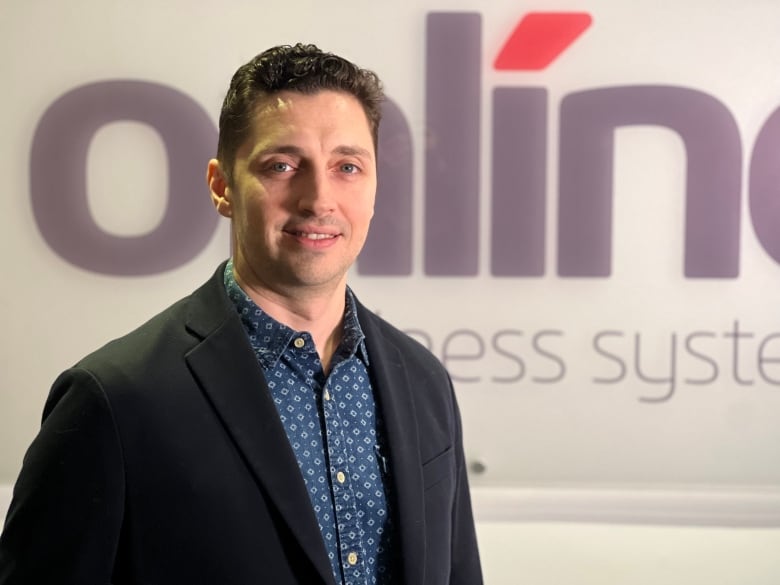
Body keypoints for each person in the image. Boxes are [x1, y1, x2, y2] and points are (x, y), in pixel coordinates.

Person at [0, 44, 483, 585]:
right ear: (221, 186)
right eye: (282, 165)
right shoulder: (112, 401)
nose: (318, 198)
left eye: (347, 166)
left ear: (373, 186)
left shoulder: (423, 381)